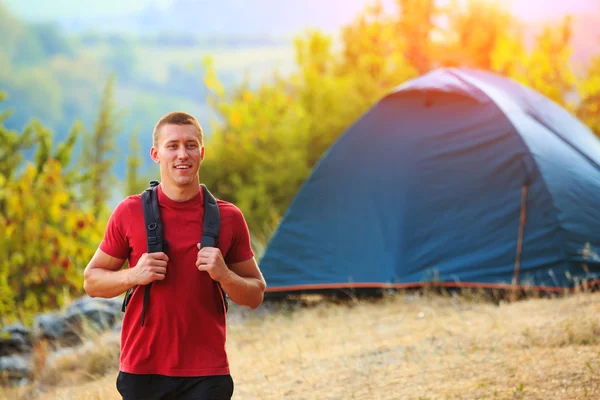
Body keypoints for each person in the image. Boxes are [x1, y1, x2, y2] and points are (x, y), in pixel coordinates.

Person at [83, 111, 267, 400]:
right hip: (142, 371)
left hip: (207, 374)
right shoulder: (128, 212)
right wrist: (133, 275)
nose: (183, 154)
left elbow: (255, 295)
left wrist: (224, 274)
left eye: (191, 145)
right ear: (156, 154)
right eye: (173, 146)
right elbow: (91, 281)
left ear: (202, 152)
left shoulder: (229, 217)